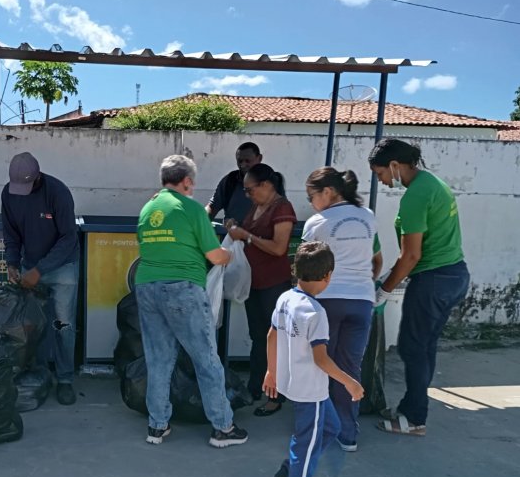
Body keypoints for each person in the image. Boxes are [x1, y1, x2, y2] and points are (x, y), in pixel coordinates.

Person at [136, 154, 248, 448]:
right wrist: (231, 253)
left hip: (147, 287)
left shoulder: (148, 208)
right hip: (182, 289)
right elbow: (214, 255)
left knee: (158, 359)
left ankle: (157, 426)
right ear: (186, 181)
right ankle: (223, 428)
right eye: (192, 182)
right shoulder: (191, 208)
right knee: (206, 360)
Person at [369, 139, 469, 436]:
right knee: (424, 348)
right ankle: (411, 408)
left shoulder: (415, 196)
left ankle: (413, 418)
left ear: (395, 166)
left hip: (433, 280)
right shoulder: (433, 183)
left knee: (413, 348)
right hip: (453, 274)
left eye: (380, 173)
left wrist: (384, 289)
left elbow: (411, 255)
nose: (382, 181)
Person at [264, 241, 364, 477]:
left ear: (296, 271)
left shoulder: (285, 298)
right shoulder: (316, 313)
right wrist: (350, 384)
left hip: (295, 385)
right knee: (304, 448)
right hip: (311, 390)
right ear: (328, 276)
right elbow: (321, 360)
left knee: (330, 427)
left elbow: (272, 335)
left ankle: (290, 473)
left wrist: (271, 371)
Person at [302, 167, 382, 452]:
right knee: (350, 367)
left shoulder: (316, 223)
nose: (311, 202)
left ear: (328, 192)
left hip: (327, 300)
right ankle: (348, 433)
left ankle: (320, 428)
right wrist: (363, 284)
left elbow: (306, 266)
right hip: (361, 301)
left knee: (322, 365)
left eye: (313, 195)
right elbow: (376, 260)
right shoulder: (368, 217)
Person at [0, 152, 80, 406]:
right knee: (32, 325)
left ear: (37, 178)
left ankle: (65, 379)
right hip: (30, 266)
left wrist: (41, 270)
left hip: (62, 267)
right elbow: (11, 233)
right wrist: (12, 262)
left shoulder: (58, 192)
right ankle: (38, 373)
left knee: (63, 325)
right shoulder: (8, 194)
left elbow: (69, 237)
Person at [225, 163, 296, 416]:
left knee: (275, 340)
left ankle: (275, 395)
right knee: (258, 338)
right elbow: (247, 233)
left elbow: (279, 248)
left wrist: (246, 236)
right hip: (253, 283)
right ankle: (257, 385)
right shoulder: (258, 205)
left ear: (266, 186)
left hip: (273, 284)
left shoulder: (282, 208)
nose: (247, 195)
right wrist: (235, 227)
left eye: (250, 190)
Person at [205, 142, 263, 222]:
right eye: (240, 161)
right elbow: (212, 207)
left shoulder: (272, 181)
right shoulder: (230, 181)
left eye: (247, 161)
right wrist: (199, 223)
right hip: (232, 233)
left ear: (259, 158)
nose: (243, 165)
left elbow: (281, 211)